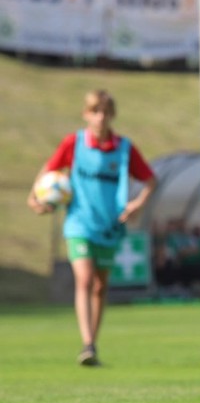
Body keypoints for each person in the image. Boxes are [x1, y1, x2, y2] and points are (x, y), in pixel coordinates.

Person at [27, 89, 157, 367]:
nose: (100, 117)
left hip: (110, 226)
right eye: (95, 111)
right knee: (84, 280)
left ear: (112, 116)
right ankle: (86, 344)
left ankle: (92, 345)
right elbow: (50, 170)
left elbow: (150, 180)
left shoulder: (123, 148)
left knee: (100, 286)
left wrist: (137, 204)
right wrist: (34, 196)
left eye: (106, 112)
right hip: (79, 223)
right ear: (86, 114)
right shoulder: (73, 143)